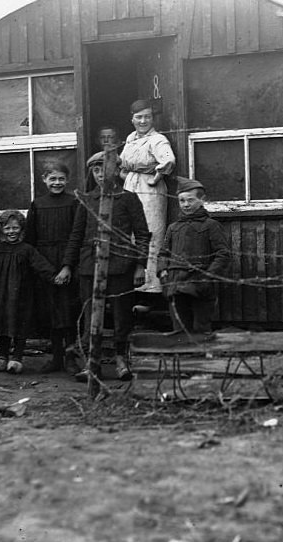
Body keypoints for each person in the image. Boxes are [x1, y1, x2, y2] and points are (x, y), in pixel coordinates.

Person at [65, 150, 150, 381]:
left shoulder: (128, 199)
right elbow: (76, 235)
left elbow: (142, 234)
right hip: (89, 267)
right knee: (91, 317)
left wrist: (140, 265)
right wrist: (67, 265)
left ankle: (122, 360)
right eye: (96, 170)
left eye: (106, 169)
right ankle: (92, 364)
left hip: (121, 267)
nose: (101, 174)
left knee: (122, 316)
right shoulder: (86, 199)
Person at [0, 210, 61, 374]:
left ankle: (17, 357)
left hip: (21, 295)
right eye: (7, 229)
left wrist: (55, 277)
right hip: (0, 294)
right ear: (1, 230)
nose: (11, 232)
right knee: (2, 322)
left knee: (19, 323)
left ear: (22, 229)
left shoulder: (27, 249)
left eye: (15, 228)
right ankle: (2, 356)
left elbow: (41, 266)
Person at [24, 160, 79, 373]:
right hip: (45, 266)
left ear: (67, 180)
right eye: (52, 178)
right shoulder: (37, 205)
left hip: (67, 263)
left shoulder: (74, 203)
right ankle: (56, 357)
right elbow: (30, 241)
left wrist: (67, 266)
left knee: (68, 313)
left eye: (61, 179)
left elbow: (77, 236)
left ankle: (71, 358)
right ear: (44, 179)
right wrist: (44, 270)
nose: (57, 183)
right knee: (50, 313)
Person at [158, 178, 230, 338]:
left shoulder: (211, 225)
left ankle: (201, 362)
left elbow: (223, 254)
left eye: (190, 200)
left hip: (200, 285)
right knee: (180, 329)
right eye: (182, 201)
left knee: (201, 330)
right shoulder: (173, 227)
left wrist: (207, 277)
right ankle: (183, 361)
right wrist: (163, 273)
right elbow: (163, 253)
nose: (185, 204)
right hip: (175, 284)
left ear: (202, 200)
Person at [119, 100, 175, 293]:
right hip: (130, 188)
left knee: (150, 232)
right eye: (139, 117)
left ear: (152, 118)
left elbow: (168, 161)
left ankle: (151, 286)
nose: (143, 121)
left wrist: (155, 176)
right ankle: (132, 284)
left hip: (149, 191)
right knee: (131, 233)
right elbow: (123, 164)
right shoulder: (130, 139)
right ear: (132, 119)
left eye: (147, 117)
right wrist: (126, 175)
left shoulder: (157, 139)